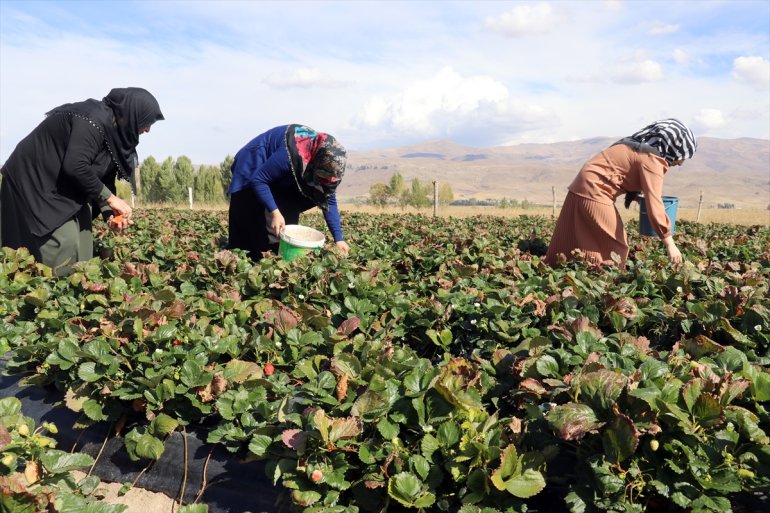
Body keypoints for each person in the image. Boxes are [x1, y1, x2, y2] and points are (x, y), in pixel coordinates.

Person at [0, 87, 164, 273]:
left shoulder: (116, 135)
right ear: (133, 114)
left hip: (64, 184)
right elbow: (75, 165)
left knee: (84, 239)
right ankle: (52, 291)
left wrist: (110, 214)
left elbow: (104, 179)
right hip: (32, 180)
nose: (148, 129)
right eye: (146, 122)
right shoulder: (91, 119)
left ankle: (75, 291)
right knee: (64, 241)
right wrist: (110, 198)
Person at [545, 118, 696, 267]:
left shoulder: (634, 145)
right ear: (672, 147)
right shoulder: (652, 160)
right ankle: (606, 282)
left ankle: (558, 269)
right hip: (595, 190)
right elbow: (654, 202)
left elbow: (619, 170)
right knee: (617, 247)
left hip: (581, 185)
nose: (680, 162)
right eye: (682, 156)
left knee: (570, 238)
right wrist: (669, 243)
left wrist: (635, 196)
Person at [227, 124, 350, 260]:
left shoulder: (331, 169)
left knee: (283, 227)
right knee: (249, 219)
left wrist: (339, 239)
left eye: (327, 178)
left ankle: (276, 259)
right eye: (321, 175)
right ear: (315, 162)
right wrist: (275, 212)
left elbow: (328, 200)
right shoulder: (292, 153)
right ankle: (249, 257)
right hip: (255, 162)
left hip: (284, 180)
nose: (324, 180)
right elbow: (259, 180)